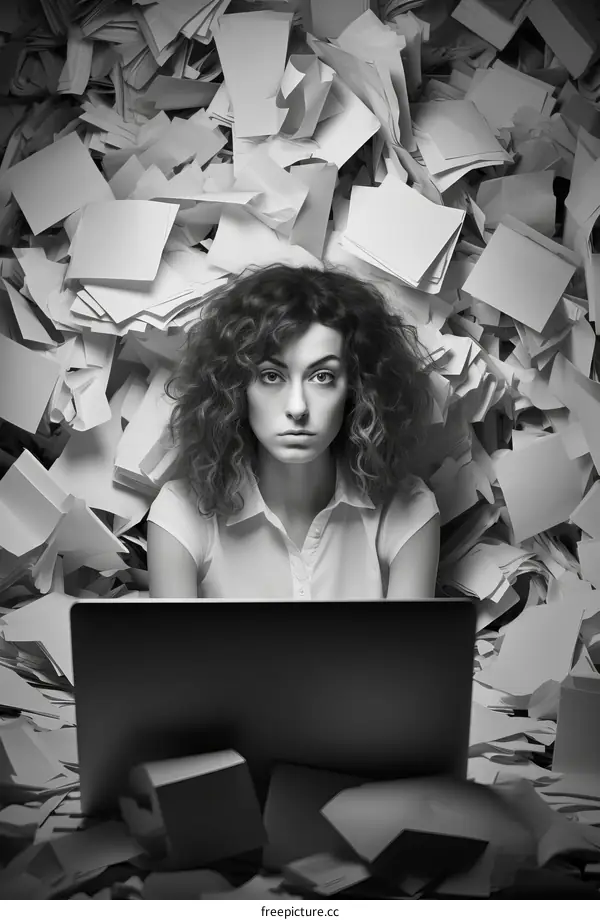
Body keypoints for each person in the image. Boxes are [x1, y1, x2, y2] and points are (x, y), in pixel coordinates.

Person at [146, 263, 440, 599]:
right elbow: (173, 653)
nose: (298, 408)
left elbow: (406, 652)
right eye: (272, 376)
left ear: (356, 389)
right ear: (236, 387)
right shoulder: (182, 514)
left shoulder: (405, 510)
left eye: (322, 377)